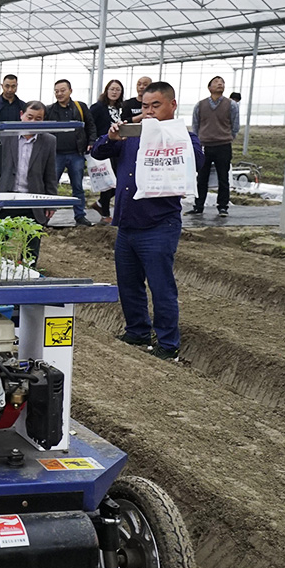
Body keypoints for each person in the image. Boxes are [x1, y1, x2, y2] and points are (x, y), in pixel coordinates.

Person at [90, 82, 202, 362]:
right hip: (127, 222)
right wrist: (112, 136)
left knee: (161, 286)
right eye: (145, 106)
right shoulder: (132, 134)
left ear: (172, 105)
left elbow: (197, 161)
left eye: (156, 105)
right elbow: (99, 151)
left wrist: (169, 138)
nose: (149, 111)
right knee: (128, 284)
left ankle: (168, 343)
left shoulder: (184, 137)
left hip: (159, 224)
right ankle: (137, 331)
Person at [0, 101, 58, 263]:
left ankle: (28, 269)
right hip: (6, 197)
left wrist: (51, 202)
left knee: (31, 245)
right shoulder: (5, 136)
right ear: (21, 115)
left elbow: (50, 174)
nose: (33, 122)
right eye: (30, 117)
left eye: (38, 119)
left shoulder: (49, 141)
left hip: (33, 199)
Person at [46, 79, 97, 226]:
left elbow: (90, 125)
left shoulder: (80, 107)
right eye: (56, 91)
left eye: (62, 90)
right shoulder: (49, 110)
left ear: (70, 91)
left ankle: (80, 216)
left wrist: (91, 141)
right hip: (56, 154)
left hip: (76, 153)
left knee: (78, 186)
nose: (59, 94)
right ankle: (45, 217)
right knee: (51, 186)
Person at [189, 76, 240, 217]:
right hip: (205, 145)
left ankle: (223, 207)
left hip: (223, 145)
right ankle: (198, 206)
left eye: (222, 82)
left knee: (223, 178)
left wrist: (228, 137)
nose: (220, 84)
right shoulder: (200, 105)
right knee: (202, 177)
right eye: (216, 82)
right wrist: (198, 141)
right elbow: (196, 125)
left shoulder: (231, 105)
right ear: (209, 87)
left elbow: (235, 126)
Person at [89, 80, 134, 225]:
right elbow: (90, 125)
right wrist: (92, 142)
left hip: (118, 148)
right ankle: (105, 213)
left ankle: (100, 204)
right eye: (112, 89)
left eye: (118, 90)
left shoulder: (121, 108)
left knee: (117, 181)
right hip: (104, 147)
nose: (114, 92)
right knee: (108, 182)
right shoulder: (98, 107)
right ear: (106, 90)